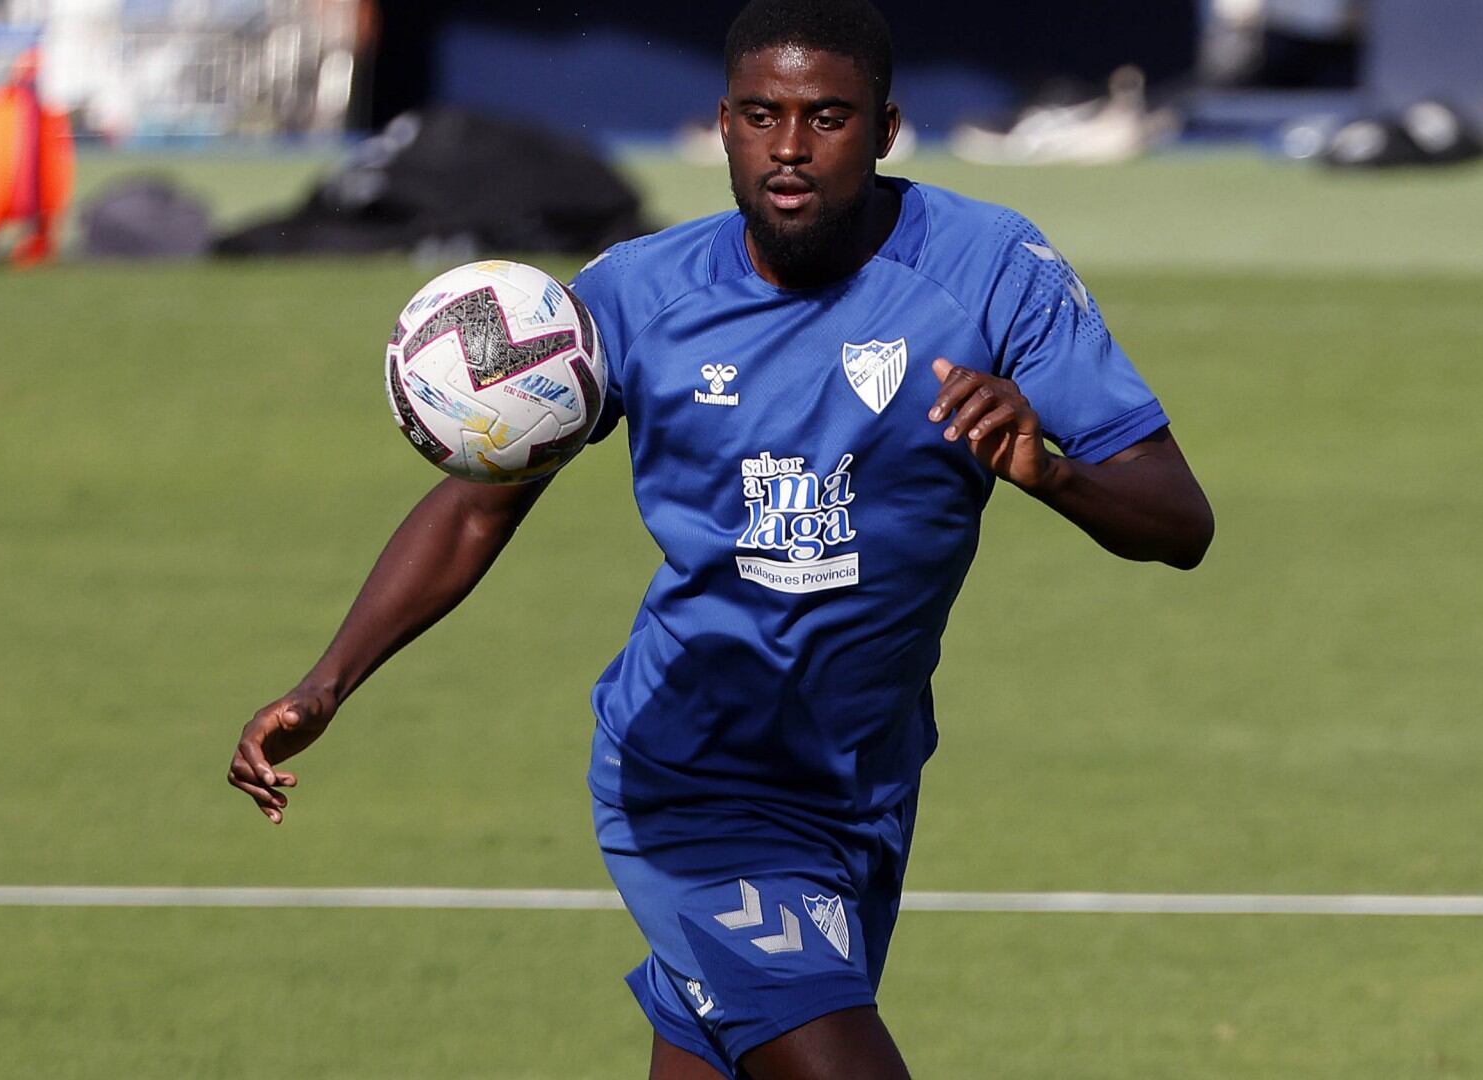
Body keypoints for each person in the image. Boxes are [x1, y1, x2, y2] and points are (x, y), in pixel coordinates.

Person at [226, 1, 1214, 1076]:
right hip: (691, 778)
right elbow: (479, 502)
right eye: (760, 115)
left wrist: (1048, 469)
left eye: (827, 118)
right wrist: (328, 681)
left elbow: (1178, 520)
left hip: (862, 779)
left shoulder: (991, 271)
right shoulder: (635, 297)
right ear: (723, 124)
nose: (789, 149)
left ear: (886, 129)